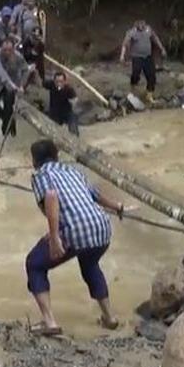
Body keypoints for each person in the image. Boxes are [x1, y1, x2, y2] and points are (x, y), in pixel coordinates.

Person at [26, 139, 124, 335]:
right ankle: (109, 318)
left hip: (77, 230)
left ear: (34, 161)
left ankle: (50, 323)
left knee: (34, 264)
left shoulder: (41, 175)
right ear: (57, 156)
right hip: (102, 227)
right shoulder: (72, 171)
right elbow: (95, 194)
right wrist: (117, 206)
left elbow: (51, 197)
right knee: (90, 264)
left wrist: (55, 237)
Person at [0, 37, 29, 136]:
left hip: (11, 86)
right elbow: (0, 72)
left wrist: (22, 85)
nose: (7, 52)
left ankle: (6, 126)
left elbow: (25, 70)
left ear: (13, 49)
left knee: (8, 107)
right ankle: (9, 120)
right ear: (1, 48)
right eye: (4, 50)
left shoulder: (18, 57)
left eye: (9, 50)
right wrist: (12, 84)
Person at [120, 20, 167, 104]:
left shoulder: (149, 30)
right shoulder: (132, 32)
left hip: (148, 57)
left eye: (143, 24)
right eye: (139, 24)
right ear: (136, 25)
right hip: (137, 57)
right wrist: (122, 55)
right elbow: (125, 44)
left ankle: (149, 95)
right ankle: (133, 89)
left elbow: (155, 38)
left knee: (152, 76)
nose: (142, 26)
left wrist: (161, 48)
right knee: (135, 73)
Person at [43, 72, 79, 136]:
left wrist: (72, 102)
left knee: (73, 118)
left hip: (67, 112)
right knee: (52, 130)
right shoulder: (51, 84)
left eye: (61, 81)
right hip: (54, 113)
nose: (59, 83)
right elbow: (42, 82)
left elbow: (75, 99)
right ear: (54, 81)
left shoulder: (69, 89)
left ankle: (74, 138)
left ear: (64, 81)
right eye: (57, 82)